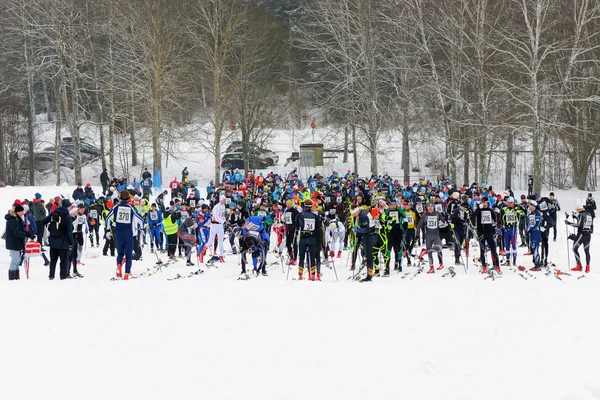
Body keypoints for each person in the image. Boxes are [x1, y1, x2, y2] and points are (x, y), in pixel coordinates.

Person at [106, 190, 145, 280]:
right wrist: (142, 228)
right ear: (128, 198)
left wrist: (107, 229)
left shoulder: (115, 207)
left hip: (119, 232)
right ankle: (126, 274)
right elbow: (140, 219)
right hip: (128, 233)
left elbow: (108, 218)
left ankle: (119, 267)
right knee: (128, 255)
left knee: (120, 253)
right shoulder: (131, 208)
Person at [43, 199, 74, 280]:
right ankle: (63, 277)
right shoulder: (68, 217)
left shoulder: (54, 213)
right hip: (63, 243)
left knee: (53, 260)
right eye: (70, 206)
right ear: (67, 207)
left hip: (53, 242)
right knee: (63, 261)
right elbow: (69, 231)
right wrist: (71, 242)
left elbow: (43, 221)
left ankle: (51, 276)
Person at [295, 199, 322, 280]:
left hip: (303, 238)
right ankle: (313, 275)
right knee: (312, 257)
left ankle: (300, 275)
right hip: (312, 238)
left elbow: (296, 227)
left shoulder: (299, 215)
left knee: (301, 257)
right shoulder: (315, 216)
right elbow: (318, 229)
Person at [5, 203, 32, 280]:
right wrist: (26, 234)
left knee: (18, 260)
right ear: (17, 212)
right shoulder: (13, 220)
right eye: (21, 211)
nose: (23, 213)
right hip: (13, 242)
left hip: (17, 242)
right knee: (15, 260)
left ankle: (16, 277)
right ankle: (12, 277)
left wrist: (27, 234)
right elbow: (16, 232)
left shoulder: (17, 219)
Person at [417, 203, 445, 274]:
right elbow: (419, 225)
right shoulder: (425, 215)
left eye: (431, 207)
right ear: (427, 208)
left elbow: (444, 221)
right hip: (428, 235)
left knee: (439, 248)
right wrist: (417, 234)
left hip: (436, 235)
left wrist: (445, 218)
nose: (430, 208)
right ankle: (431, 267)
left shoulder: (437, 213)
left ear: (434, 207)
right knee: (429, 251)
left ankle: (441, 263)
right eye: (429, 207)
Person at [568, 203, 593, 273]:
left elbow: (579, 225)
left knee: (574, 248)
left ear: (579, 209)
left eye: (577, 210)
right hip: (588, 235)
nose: (577, 211)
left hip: (582, 234)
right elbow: (586, 223)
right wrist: (576, 218)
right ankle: (588, 267)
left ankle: (579, 265)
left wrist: (569, 223)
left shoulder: (581, 214)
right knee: (587, 251)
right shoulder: (589, 214)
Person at [207, 195, 227, 262]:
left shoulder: (223, 206)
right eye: (224, 199)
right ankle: (202, 252)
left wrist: (225, 221)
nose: (225, 201)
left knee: (221, 241)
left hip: (220, 226)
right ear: (221, 200)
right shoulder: (216, 207)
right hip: (214, 225)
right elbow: (215, 217)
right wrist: (222, 221)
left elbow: (222, 215)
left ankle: (221, 255)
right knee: (211, 240)